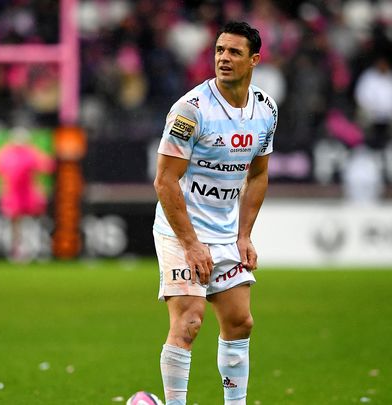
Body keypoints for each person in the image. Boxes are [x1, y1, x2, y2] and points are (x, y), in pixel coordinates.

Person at [152, 21, 277, 405]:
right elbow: (164, 183)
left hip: (224, 234)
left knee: (240, 322)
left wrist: (244, 235)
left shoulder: (265, 110)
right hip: (180, 230)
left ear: (254, 59)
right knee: (190, 321)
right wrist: (190, 243)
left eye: (234, 52)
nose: (223, 58)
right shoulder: (191, 110)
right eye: (220, 50)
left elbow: (258, 175)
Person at [0, 129, 54, 262]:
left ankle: (38, 247)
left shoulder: (25, 153)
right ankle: (21, 250)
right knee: (18, 224)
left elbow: (47, 166)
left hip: (27, 195)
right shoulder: (14, 154)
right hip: (16, 196)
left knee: (30, 222)